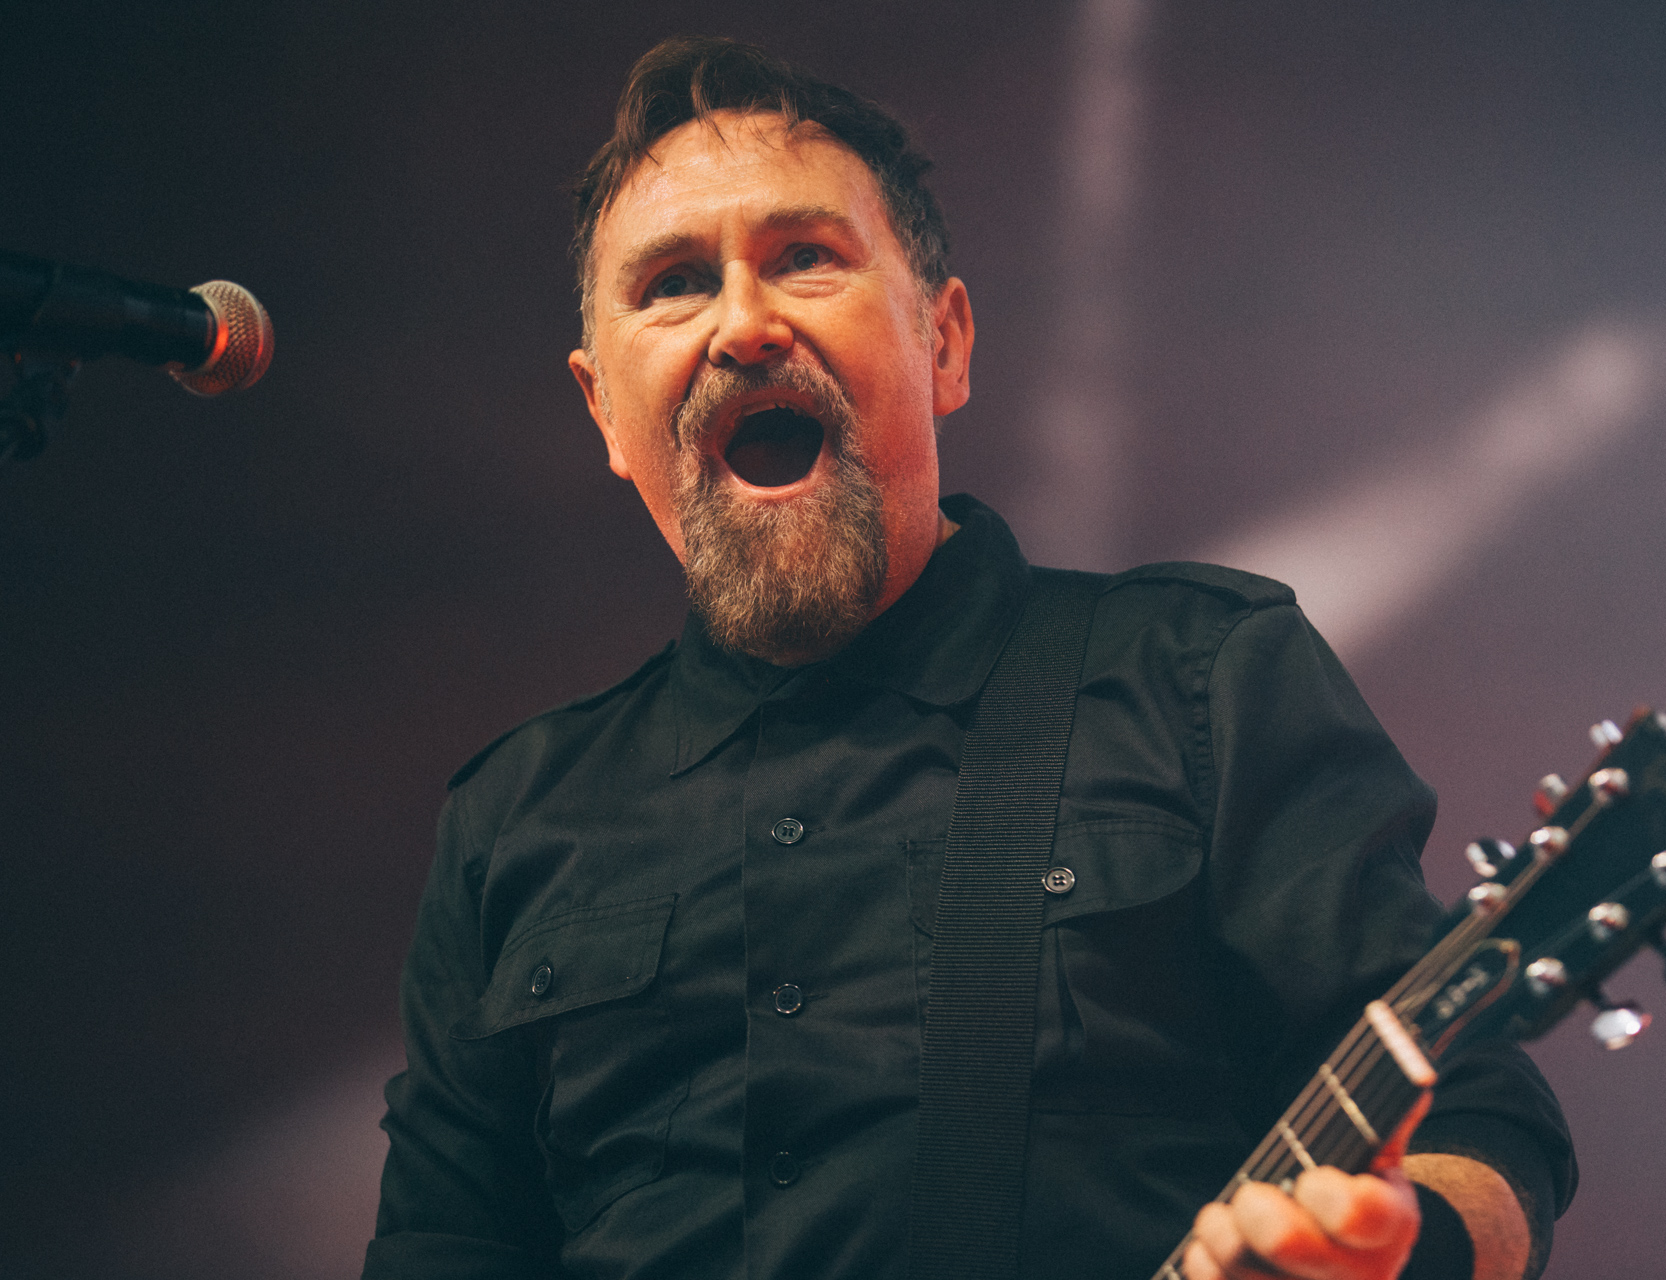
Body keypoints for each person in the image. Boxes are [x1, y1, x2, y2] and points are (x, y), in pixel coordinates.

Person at [364, 35, 1573, 1280]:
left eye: (805, 257)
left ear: (943, 342)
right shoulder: (513, 818)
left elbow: (1482, 1119)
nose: (744, 323)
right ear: (606, 412)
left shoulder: (1199, 677)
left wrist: (1396, 1247)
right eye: (673, 283)